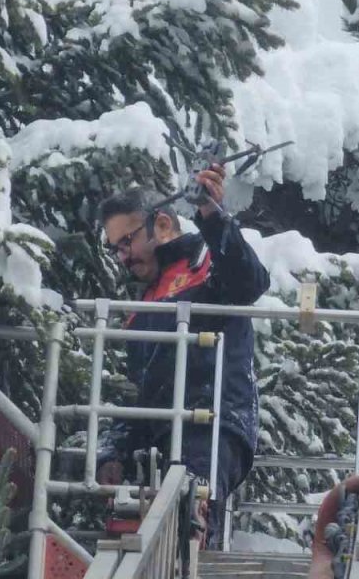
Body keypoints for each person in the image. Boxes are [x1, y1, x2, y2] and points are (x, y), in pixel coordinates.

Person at [96, 163, 270, 548]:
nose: (122, 257)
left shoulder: (207, 260)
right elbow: (138, 391)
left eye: (126, 242)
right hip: (160, 437)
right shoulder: (143, 304)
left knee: (191, 525)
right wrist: (115, 450)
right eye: (114, 249)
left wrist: (211, 213)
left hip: (212, 423)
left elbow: (250, 282)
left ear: (161, 225)